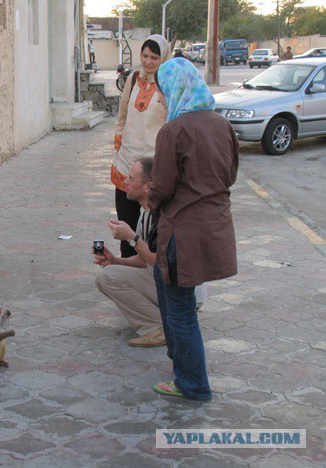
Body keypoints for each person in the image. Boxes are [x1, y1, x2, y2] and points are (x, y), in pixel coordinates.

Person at [148, 58, 239, 400]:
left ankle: (193, 383)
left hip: (182, 230)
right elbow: (229, 174)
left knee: (181, 308)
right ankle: (181, 363)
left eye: (162, 91)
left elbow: (162, 186)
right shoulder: (221, 124)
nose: (161, 98)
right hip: (214, 225)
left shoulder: (173, 131)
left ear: (174, 89)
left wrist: (150, 201)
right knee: (167, 288)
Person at [94, 158, 165, 347]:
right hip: (162, 280)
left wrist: (132, 238)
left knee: (109, 277)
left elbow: (161, 262)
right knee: (106, 275)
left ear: (147, 187)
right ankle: (160, 321)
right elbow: (144, 261)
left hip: (179, 289)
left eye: (131, 178)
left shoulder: (164, 215)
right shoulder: (145, 214)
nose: (124, 182)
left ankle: (158, 326)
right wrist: (115, 260)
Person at [112, 34, 171, 258]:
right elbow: (122, 116)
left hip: (153, 164)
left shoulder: (168, 83)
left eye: (154, 57)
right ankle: (127, 269)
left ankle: (152, 269)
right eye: (144, 56)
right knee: (126, 222)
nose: (148, 62)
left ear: (163, 58)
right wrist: (119, 145)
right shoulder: (134, 78)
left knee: (155, 224)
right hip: (127, 160)